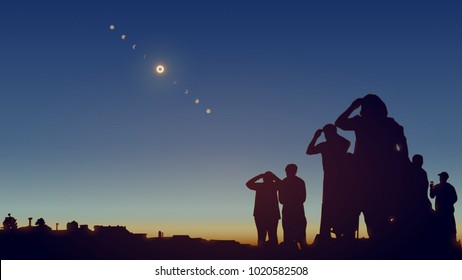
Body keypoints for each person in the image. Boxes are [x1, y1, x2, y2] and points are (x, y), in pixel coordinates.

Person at [335, 94, 409, 240]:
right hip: (386, 177)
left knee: (362, 213)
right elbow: (403, 153)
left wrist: (352, 106)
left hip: (363, 177)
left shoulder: (362, 122)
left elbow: (339, 123)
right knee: (381, 217)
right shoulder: (393, 125)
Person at [307, 124, 357, 239]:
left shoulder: (326, 145)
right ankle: (330, 231)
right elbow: (309, 151)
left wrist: (316, 137)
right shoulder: (333, 144)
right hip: (334, 179)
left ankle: (338, 230)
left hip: (337, 179)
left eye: (326, 133)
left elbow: (309, 151)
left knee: (334, 204)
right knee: (331, 205)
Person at [273, 164, 308, 248]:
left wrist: (290, 202)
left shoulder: (285, 182)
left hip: (293, 211)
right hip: (293, 211)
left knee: (296, 234)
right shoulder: (299, 181)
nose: (287, 172)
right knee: (293, 234)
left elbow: (282, 200)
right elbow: (302, 198)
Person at [246, 171, 280, 247]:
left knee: (262, 236)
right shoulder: (274, 185)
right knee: (272, 235)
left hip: (261, 215)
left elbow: (248, 184)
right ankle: (273, 254)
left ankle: (262, 254)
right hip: (271, 214)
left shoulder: (260, 186)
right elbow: (282, 184)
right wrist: (274, 176)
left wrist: (259, 176)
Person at [430, 171, 458, 246]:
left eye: (441, 176)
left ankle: (452, 247)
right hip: (440, 212)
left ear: (445, 178)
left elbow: (455, 198)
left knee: (450, 230)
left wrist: (447, 203)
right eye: (440, 177)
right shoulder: (437, 186)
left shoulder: (450, 187)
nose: (440, 178)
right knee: (442, 229)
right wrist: (431, 188)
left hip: (447, 212)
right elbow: (432, 196)